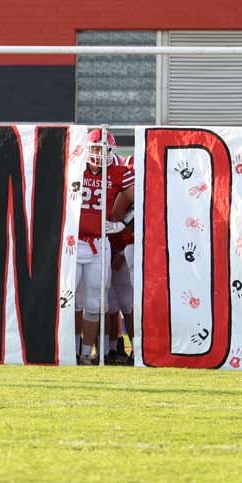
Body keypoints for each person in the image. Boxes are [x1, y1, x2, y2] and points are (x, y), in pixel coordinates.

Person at [76, 129, 131, 365]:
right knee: (69, 300)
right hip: (74, 242)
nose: (100, 154)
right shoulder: (74, 168)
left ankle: (87, 354)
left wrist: (122, 224)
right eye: (96, 148)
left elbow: (140, 197)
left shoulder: (118, 172)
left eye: (105, 149)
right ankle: (70, 350)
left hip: (99, 242)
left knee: (94, 302)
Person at [106, 154, 137, 366]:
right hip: (123, 247)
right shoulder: (124, 192)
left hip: (141, 247)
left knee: (128, 303)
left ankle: (137, 347)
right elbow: (116, 219)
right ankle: (113, 347)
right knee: (117, 304)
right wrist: (120, 250)